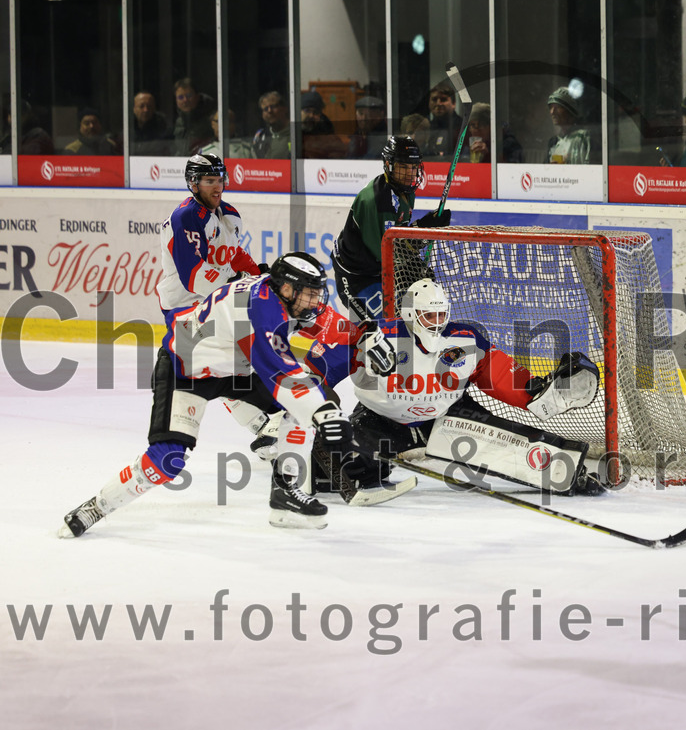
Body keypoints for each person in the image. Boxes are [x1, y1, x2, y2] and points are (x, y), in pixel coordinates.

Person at [59, 252, 355, 537]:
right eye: (310, 294)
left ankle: (286, 494)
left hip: (234, 369)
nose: (315, 301)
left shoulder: (283, 296)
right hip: (186, 370)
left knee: (304, 404)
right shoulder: (261, 306)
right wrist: (324, 412)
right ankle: (96, 507)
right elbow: (282, 372)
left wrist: (366, 337)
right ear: (288, 289)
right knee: (167, 460)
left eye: (317, 293)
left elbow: (335, 329)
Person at [303, 279, 605, 499]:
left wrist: (536, 393)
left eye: (440, 315)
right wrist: (317, 407)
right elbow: (319, 372)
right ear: (410, 314)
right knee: (346, 466)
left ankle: (571, 473)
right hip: (380, 419)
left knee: (510, 439)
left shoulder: (465, 339)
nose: (436, 323)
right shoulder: (377, 336)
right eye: (428, 316)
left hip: (446, 415)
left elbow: (498, 375)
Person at [330, 136, 450, 322]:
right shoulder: (376, 201)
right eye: (403, 167)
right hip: (356, 276)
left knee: (425, 293)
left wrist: (424, 226)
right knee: (383, 327)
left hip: (378, 267)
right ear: (389, 165)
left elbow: (397, 239)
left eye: (413, 167)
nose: (410, 173)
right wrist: (423, 230)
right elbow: (387, 252)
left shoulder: (405, 192)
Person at [155, 153, 264, 316]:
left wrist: (257, 276)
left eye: (220, 180)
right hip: (185, 306)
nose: (218, 187)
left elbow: (232, 254)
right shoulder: (185, 218)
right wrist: (230, 285)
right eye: (210, 181)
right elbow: (192, 272)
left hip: (216, 301)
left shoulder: (230, 215)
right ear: (194, 184)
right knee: (207, 340)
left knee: (248, 334)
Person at [172, 77, 216, 155]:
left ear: (197, 97)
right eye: (180, 97)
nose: (185, 100)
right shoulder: (179, 121)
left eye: (189, 95)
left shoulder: (211, 117)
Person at [547, 86, 591, 164]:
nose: (552, 112)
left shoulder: (585, 137)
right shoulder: (554, 141)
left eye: (557, 107)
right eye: (551, 108)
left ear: (570, 110)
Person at [300, 90, 346, 160]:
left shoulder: (327, 134)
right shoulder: (292, 132)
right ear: (298, 111)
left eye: (316, 112)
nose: (311, 115)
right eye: (307, 111)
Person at [425, 82, 462, 159]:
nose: (438, 103)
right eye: (434, 99)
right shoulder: (426, 128)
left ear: (453, 103)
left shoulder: (463, 127)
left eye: (443, 99)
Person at [129, 91, 173, 156]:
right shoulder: (128, 127)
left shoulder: (163, 128)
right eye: (141, 106)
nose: (146, 110)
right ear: (134, 109)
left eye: (149, 106)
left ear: (154, 108)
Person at [348, 95, 389, 160]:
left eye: (369, 114)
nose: (364, 118)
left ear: (381, 114)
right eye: (361, 113)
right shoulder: (357, 135)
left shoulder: (384, 137)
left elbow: (368, 161)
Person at [253, 90, 291, 159]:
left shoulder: (295, 134)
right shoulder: (261, 136)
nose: (269, 111)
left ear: (285, 108)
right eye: (266, 109)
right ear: (262, 115)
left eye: (273, 106)